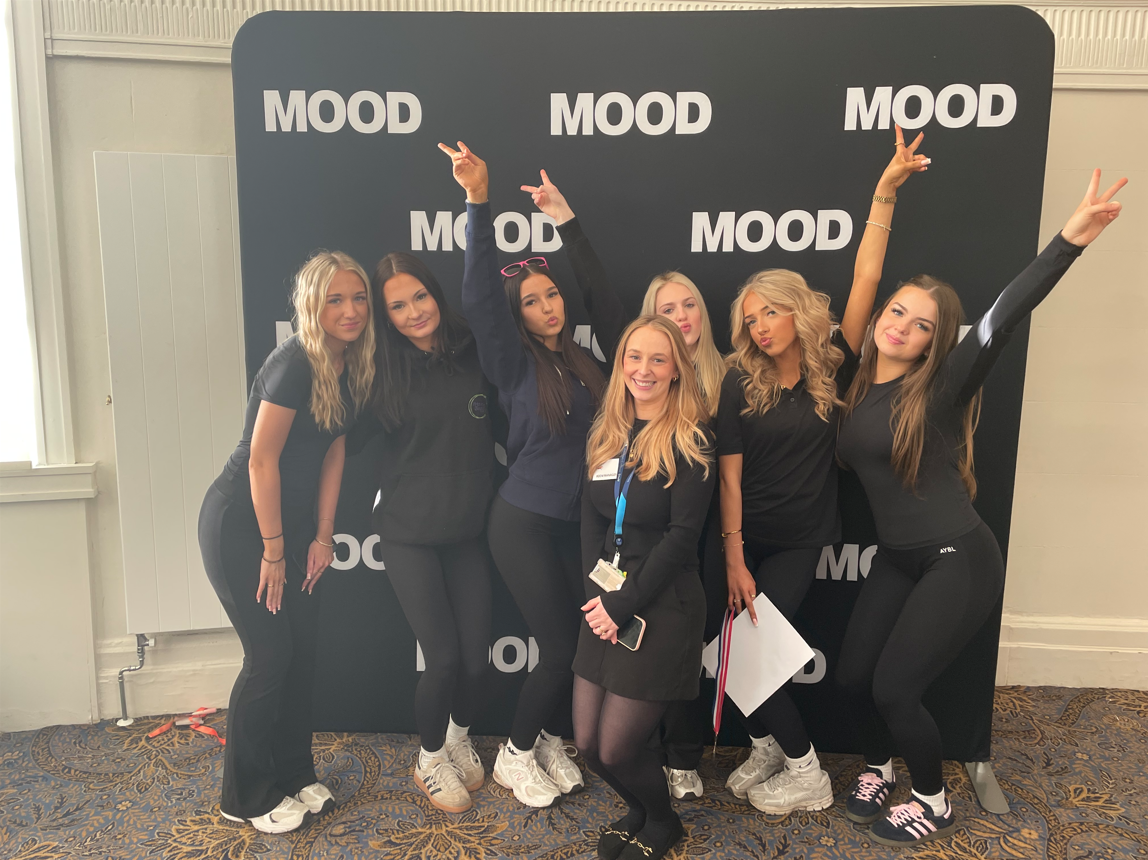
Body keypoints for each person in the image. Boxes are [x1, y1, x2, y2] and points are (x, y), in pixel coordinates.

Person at [834, 169, 1126, 847]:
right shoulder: (852, 378)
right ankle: (879, 767)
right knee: (853, 678)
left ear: (937, 342)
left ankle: (934, 802)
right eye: (897, 311)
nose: (901, 325)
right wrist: (883, 195)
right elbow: (865, 272)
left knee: (895, 691)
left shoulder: (937, 392)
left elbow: (1002, 315)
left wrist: (1068, 241)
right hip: (898, 558)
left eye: (922, 324)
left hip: (956, 559)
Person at [718, 126, 929, 814]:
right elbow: (726, 474)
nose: (761, 327)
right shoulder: (734, 380)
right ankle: (768, 748)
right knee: (733, 657)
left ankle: (806, 773)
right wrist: (734, 554)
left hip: (804, 536)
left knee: (751, 656)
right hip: (745, 537)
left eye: (771, 311)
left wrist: (883, 194)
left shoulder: (831, 360)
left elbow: (867, 275)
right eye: (751, 319)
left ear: (795, 309)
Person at [441, 142, 625, 807]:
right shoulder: (513, 363)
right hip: (521, 521)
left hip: (580, 527)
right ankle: (516, 756)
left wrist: (566, 220)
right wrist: (477, 202)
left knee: (579, 646)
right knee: (556, 646)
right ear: (517, 318)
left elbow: (604, 298)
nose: (548, 306)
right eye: (534, 302)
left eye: (552, 296)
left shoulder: (588, 362)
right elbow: (480, 298)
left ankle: (549, 739)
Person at [198, 252, 374, 833]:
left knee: (301, 654)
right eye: (335, 300)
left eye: (358, 298)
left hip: (295, 529)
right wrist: (274, 549)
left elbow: (334, 448)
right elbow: (260, 460)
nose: (350, 311)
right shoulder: (295, 362)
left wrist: (323, 536)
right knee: (270, 656)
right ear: (311, 305)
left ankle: (293, 773)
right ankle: (244, 795)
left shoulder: (352, 359)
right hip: (242, 526)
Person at [346, 235, 500, 815]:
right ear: (384, 317)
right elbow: (340, 437)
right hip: (408, 533)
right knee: (441, 659)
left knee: (478, 661)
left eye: (420, 297)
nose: (414, 312)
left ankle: (457, 735)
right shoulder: (379, 369)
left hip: (467, 532)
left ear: (435, 293)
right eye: (398, 306)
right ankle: (429, 757)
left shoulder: (472, 349)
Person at [574, 315, 716, 860]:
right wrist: (596, 595)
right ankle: (636, 807)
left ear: (677, 369)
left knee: (618, 745)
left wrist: (621, 604)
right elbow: (589, 518)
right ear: (621, 365)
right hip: (604, 600)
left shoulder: (691, 438)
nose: (644, 369)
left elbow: (682, 539)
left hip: (664, 604)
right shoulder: (606, 431)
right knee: (588, 745)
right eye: (635, 357)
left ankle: (661, 819)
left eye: (659, 359)